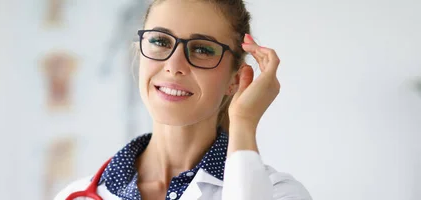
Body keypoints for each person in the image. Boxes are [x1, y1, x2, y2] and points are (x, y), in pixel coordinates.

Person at [54, 0, 312, 199]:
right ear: (139, 52)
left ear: (236, 79)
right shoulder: (75, 195)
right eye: (160, 41)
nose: (173, 65)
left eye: (202, 49)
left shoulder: (278, 193)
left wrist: (244, 122)